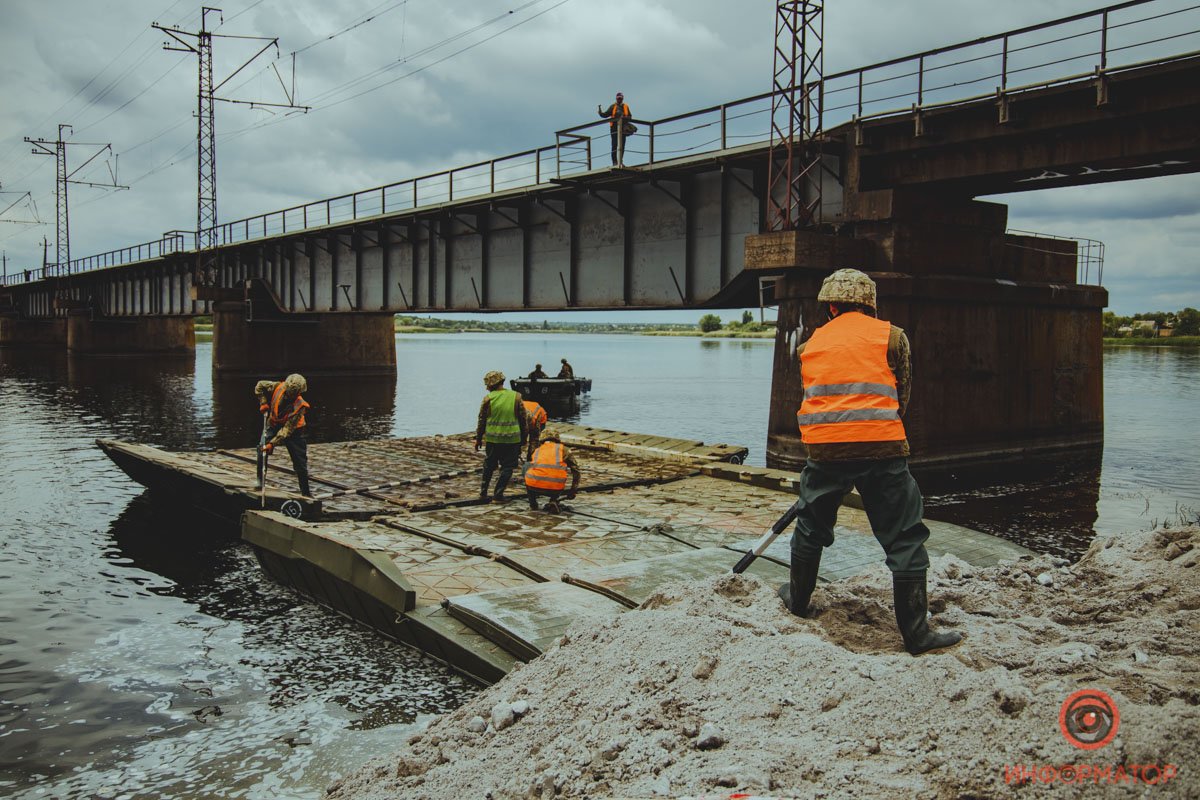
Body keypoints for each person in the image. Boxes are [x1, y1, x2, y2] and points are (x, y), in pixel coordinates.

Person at [781, 268, 961, 656]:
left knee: (811, 527)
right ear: (870, 304)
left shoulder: (810, 344)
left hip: (825, 450)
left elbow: (815, 397)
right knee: (904, 535)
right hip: (881, 448)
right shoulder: (892, 337)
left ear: (830, 306)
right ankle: (916, 634)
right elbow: (902, 395)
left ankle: (797, 602)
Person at [254, 373, 311, 497]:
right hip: (273, 424)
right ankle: (260, 482)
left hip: (295, 432)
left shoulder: (300, 406)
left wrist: (272, 444)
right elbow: (259, 386)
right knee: (261, 449)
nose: (289, 395)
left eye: (293, 394)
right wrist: (263, 402)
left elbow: (287, 430)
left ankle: (306, 494)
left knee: (300, 463)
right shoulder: (276, 386)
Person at [475, 370, 529, 502]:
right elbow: (523, 420)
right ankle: (498, 495)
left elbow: (481, 420)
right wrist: (524, 438)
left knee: (489, 465)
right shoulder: (516, 397)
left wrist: (478, 438)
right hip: (512, 439)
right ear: (502, 382)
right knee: (508, 467)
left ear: (490, 385)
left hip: (492, 439)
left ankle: (483, 493)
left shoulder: (488, 399)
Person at [524, 431, 581, 512]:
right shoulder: (565, 450)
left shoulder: (537, 450)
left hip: (533, 486)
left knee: (526, 466)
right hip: (555, 488)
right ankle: (553, 500)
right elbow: (576, 471)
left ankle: (533, 503)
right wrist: (573, 490)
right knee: (558, 474)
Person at [597, 91, 632, 167]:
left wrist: (624, 118)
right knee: (614, 145)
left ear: (622, 99)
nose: (619, 100)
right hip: (614, 128)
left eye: (620, 98)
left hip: (623, 128)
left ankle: (620, 161)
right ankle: (614, 162)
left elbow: (630, 116)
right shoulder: (613, 106)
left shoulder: (626, 106)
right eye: (618, 98)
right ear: (616, 99)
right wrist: (600, 112)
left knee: (622, 145)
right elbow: (605, 114)